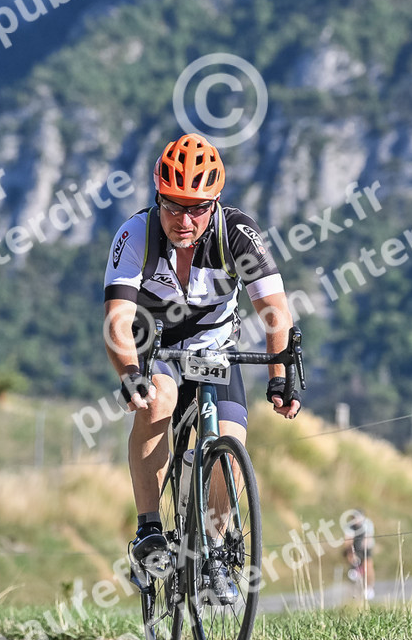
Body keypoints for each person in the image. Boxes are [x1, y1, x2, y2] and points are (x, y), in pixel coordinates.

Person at [104, 134, 301, 606]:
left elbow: (275, 311)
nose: (184, 220)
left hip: (217, 350)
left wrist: (279, 375)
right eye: (173, 207)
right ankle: (149, 530)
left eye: (197, 209)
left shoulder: (238, 234)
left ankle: (211, 552)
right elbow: (117, 320)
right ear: (158, 198)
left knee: (231, 451)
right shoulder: (136, 235)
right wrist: (130, 374)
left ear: (215, 203)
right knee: (159, 403)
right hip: (158, 349)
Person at [343, 509, 376, 602]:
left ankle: (369, 588)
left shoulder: (368, 524)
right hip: (354, 548)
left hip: (366, 548)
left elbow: (368, 539)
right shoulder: (349, 526)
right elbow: (347, 541)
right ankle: (354, 575)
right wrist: (352, 553)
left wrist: (362, 552)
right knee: (351, 559)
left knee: (368, 566)